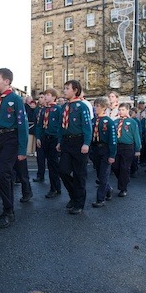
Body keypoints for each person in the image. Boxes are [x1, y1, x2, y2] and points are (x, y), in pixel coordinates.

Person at [0, 68, 29, 228]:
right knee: (6, 175)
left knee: (1, 174)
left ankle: (8, 211)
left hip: (11, 138)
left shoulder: (15, 99)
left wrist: (22, 149)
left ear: (7, 81)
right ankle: (8, 208)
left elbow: (22, 125)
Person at [57, 80, 92, 214]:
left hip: (79, 142)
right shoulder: (64, 107)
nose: (64, 91)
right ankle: (73, 195)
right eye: (64, 88)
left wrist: (86, 143)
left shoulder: (82, 106)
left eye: (67, 88)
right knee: (63, 170)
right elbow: (61, 126)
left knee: (79, 174)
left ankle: (79, 203)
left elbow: (87, 126)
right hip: (66, 142)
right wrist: (60, 141)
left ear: (75, 90)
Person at [88, 97, 117, 207]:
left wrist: (112, 155)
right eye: (95, 105)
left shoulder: (108, 122)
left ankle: (100, 199)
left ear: (104, 107)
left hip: (105, 149)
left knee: (104, 174)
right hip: (95, 149)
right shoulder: (93, 121)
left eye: (98, 106)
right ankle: (108, 189)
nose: (95, 108)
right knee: (100, 174)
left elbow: (113, 139)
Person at [36, 88, 63, 198]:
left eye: (48, 95)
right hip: (44, 138)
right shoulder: (43, 110)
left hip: (54, 138)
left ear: (53, 97)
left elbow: (61, 125)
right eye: (45, 95)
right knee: (46, 162)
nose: (46, 97)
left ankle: (55, 188)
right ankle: (54, 187)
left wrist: (59, 141)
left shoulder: (58, 109)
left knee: (53, 164)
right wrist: (38, 137)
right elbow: (39, 125)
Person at [111, 103, 142, 197]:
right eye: (119, 110)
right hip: (117, 146)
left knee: (124, 168)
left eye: (123, 110)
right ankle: (124, 179)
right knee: (115, 167)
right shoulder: (115, 122)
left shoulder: (132, 122)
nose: (121, 112)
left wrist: (137, 149)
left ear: (128, 111)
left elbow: (136, 136)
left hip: (128, 147)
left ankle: (123, 188)